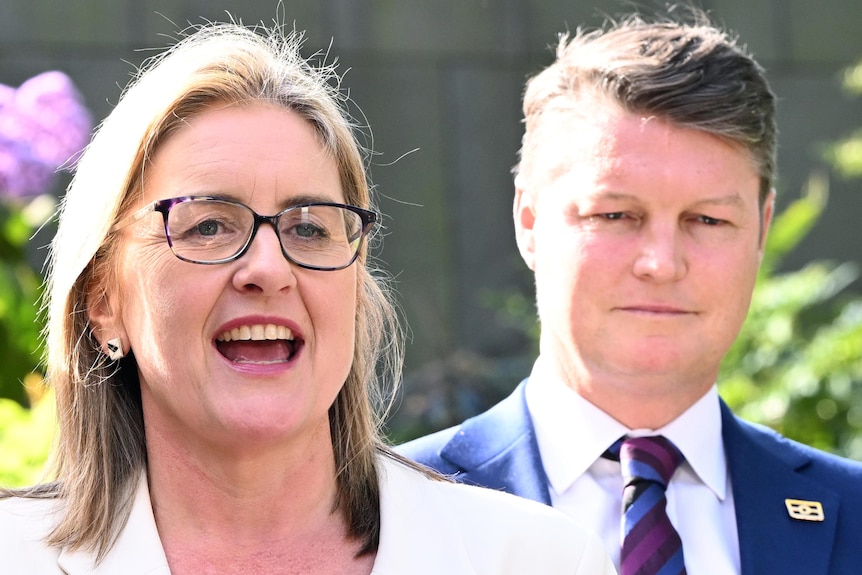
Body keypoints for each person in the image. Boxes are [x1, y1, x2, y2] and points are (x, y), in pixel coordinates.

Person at [0, 21, 614, 575]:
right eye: (209, 225)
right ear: (104, 301)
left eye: (309, 227)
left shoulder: (538, 561)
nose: (268, 268)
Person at [400, 12, 862, 575]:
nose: (662, 264)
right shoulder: (390, 510)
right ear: (528, 220)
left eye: (708, 220)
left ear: (762, 229)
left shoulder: (853, 517)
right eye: (615, 214)